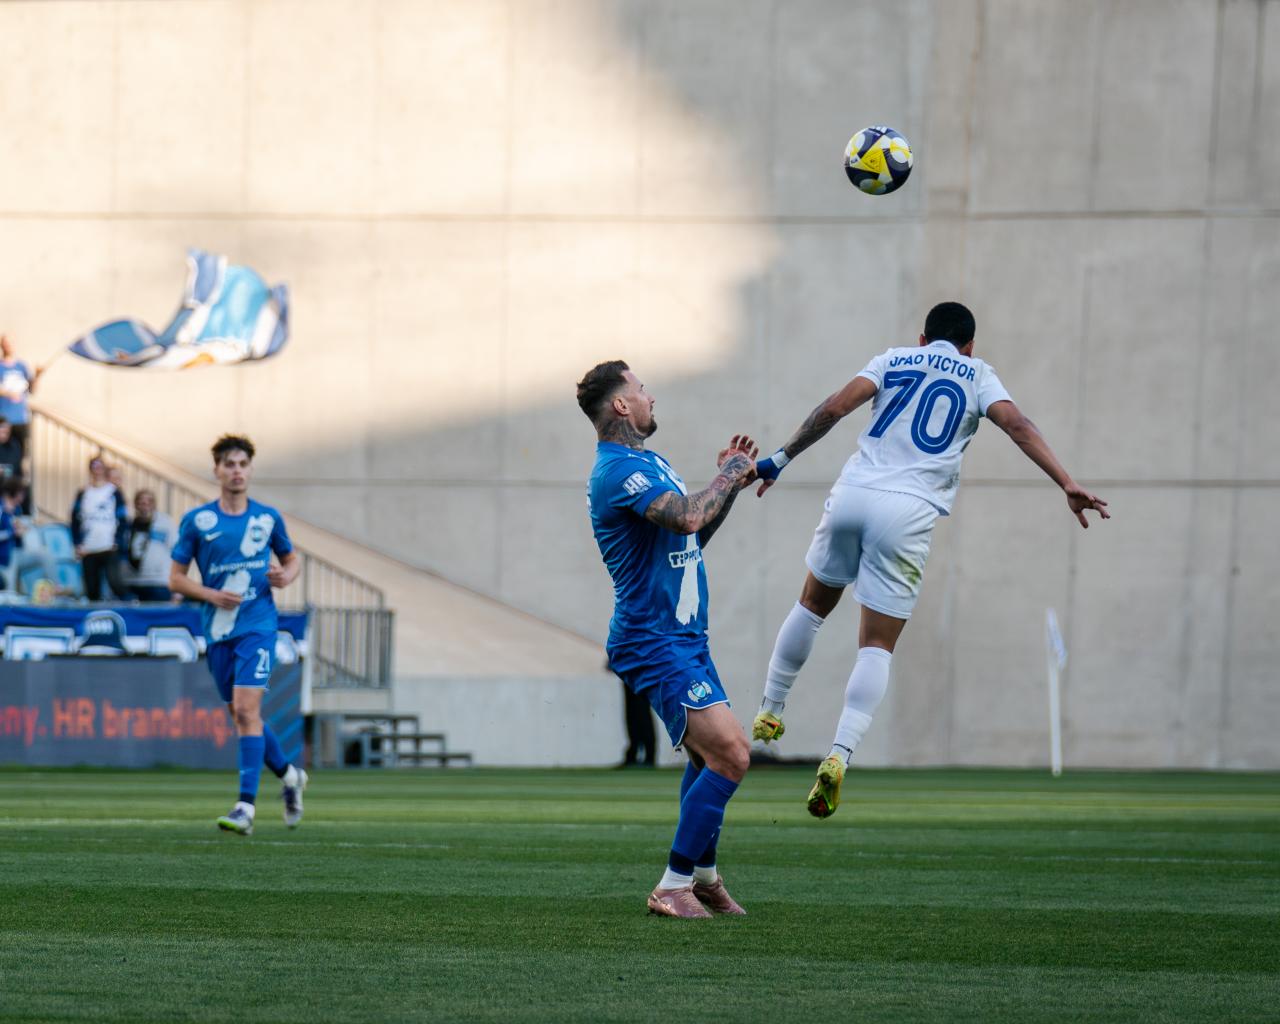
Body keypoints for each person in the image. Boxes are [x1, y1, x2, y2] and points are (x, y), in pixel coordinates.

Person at [750, 302, 1110, 817]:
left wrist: (779, 459)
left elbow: (833, 409)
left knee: (811, 605)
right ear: (970, 345)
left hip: (854, 492)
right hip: (908, 510)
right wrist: (1067, 483)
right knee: (877, 644)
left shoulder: (892, 359)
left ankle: (770, 708)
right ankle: (839, 754)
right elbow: (1019, 426)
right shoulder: (979, 374)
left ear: (922, 338)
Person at [580, 359, 758, 918]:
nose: (650, 396)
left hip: (684, 637)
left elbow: (692, 534)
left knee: (709, 758)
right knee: (732, 753)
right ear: (621, 404)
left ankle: (702, 879)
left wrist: (729, 486)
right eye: (641, 389)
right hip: (652, 638)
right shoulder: (617, 471)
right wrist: (728, 473)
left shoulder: (649, 462)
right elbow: (685, 517)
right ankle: (672, 885)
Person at [169, 435, 307, 836]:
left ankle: (245, 808)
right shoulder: (198, 521)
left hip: (258, 625)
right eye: (229, 464)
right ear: (216, 470)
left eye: (243, 464)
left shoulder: (267, 518)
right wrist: (211, 594)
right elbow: (175, 579)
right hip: (218, 630)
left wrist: (286, 576)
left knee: (246, 711)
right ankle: (291, 776)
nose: (237, 471)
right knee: (242, 715)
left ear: (250, 469)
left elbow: (291, 560)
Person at [70, 455, 127, 600]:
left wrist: (118, 541)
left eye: (100, 466)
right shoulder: (83, 493)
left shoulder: (114, 492)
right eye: (94, 466)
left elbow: (123, 519)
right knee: (91, 589)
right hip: (88, 547)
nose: (97, 470)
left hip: (108, 546)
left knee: (115, 583)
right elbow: (74, 519)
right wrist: (77, 543)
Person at [123, 489, 177, 601]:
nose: (145, 504)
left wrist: (176, 582)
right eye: (141, 501)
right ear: (135, 504)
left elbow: (176, 551)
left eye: (149, 501)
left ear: (154, 504)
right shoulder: (128, 526)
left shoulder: (166, 523)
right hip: (133, 582)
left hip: (159, 582)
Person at [0, 335, 41, 453]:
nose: (8, 346)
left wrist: (37, 376)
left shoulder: (22, 366)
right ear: (1, 345)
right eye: (5, 343)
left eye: (10, 343)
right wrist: (9, 393)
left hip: (21, 419)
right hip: (3, 420)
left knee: (20, 454)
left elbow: (31, 390)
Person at [0, 418, 22, 482]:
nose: (4, 435)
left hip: (11, 482)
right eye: (2, 432)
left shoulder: (14, 445)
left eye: (7, 432)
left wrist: (3, 470)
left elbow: (13, 468)